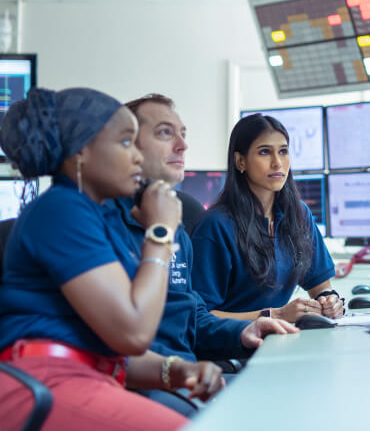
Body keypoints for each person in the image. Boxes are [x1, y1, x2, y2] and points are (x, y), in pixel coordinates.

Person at [0, 87, 217, 431]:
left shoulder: (96, 217)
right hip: (43, 384)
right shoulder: (61, 209)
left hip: (86, 377)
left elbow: (108, 350)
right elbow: (132, 333)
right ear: (82, 151)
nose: (136, 158)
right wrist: (161, 231)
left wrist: (175, 370)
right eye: (126, 143)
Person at [108, 94, 297, 416]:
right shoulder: (102, 224)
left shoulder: (174, 224)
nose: (182, 145)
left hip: (184, 372)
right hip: (135, 381)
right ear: (128, 145)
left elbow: (191, 314)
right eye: (166, 133)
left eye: (184, 134)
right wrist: (159, 233)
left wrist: (249, 328)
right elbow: (117, 333)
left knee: (292, 393)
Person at [191, 113, 344, 322]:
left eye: (283, 151)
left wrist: (330, 301)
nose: (277, 163)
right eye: (264, 152)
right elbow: (199, 317)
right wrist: (275, 316)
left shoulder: (298, 215)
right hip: (235, 347)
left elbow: (321, 286)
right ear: (240, 161)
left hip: (278, 338)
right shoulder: (215, 226)